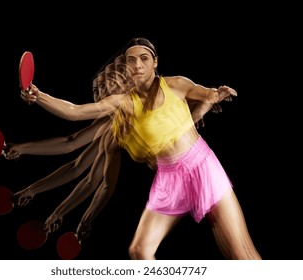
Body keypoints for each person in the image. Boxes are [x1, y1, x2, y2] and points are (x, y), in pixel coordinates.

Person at [19, 37, 260, 259]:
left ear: (155, 62)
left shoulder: (175, 84)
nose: (137, 65)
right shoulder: (124, 105)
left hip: (202, 165)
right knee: (140, 251)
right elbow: (75, 112)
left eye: (144, 58)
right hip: (170, 179)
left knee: (241, 254)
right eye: (130, 60)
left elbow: (207, 94)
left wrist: (216, 94)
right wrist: (39, 96)